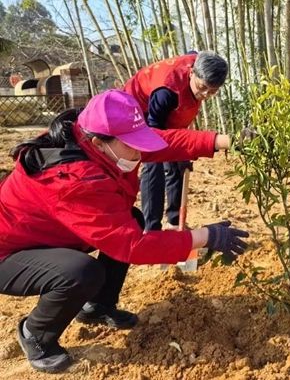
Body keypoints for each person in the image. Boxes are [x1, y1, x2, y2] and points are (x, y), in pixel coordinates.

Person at [0, 90, 249, 373]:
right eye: (132, 145)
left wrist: (221, 141)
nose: (139, 152)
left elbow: (162, 141)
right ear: (98, 142)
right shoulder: (75, 179)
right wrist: (206, 236)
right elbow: (133, 246)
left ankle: (97, 306)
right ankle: (36, 334)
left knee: (131, 217)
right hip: (8, 253)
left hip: (50, 232)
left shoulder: (92, 141)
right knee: (81, 272)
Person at [124, 51, 228, 231]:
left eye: (212, 91)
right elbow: (155, 135)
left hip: (170, 112)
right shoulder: (167, 91)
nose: (205, 94)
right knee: (154, 164)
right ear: (191, 73)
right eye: (202, 87)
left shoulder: (200, 64)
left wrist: (182, 153)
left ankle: (174, 221)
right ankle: (151, 228)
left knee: (180, 162)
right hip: (139, 110)